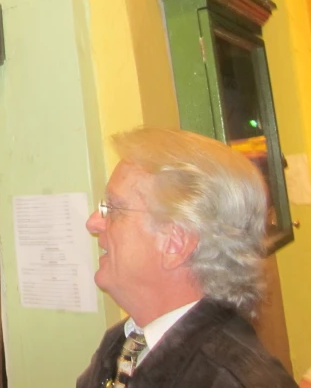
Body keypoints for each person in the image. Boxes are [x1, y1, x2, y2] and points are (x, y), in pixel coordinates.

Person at [79, 127, 297, 388]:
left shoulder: (233, 380)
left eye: (112, 209)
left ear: (175, 242)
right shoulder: (125, 343)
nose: (93, 223)